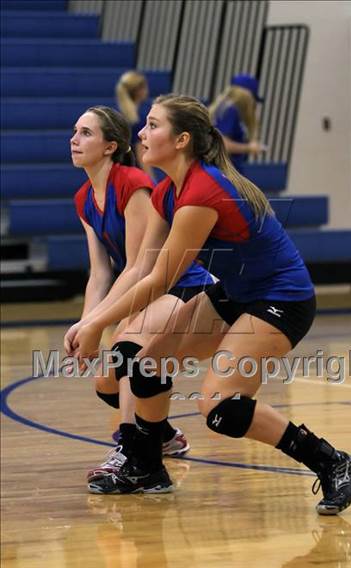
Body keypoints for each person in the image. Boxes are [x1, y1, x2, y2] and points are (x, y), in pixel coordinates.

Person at [72, 95, 351, 514]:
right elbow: (139, 270)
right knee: (144, 363)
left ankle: (333, 463)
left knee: (220, 408)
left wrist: (92, 326)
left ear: (182, 140)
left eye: (153, 125)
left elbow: (159, 280)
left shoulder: (201, 192)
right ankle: (146, 467)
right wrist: (92, 323)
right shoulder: (166, 192)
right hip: (238, 292)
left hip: (281, 298)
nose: (141, 132)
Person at [67, 105, 214, 482]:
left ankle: (132, 449)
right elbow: (99, 273)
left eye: (86, 133)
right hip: (142, 287)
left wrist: (99, 325)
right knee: (105, 382)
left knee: (128, 353)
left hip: (180, 283)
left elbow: (139, 266)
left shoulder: (132, 183)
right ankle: (163, 436)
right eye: (75, 132)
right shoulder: (84, 198)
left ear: (110, 147)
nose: (74, 140)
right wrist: (85, 325)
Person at [209, 74, 267, 172]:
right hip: (223, 170)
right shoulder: (231, 110)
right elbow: (223, 145)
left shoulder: (225, 108)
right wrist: (249, 148)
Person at [115, 70, 154, 179]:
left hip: (120, 171)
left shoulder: (118, 116)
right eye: (145, 87)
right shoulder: (139, 119)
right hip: (134, 173)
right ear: (138, 91)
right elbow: (141, 154)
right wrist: (152, 181)